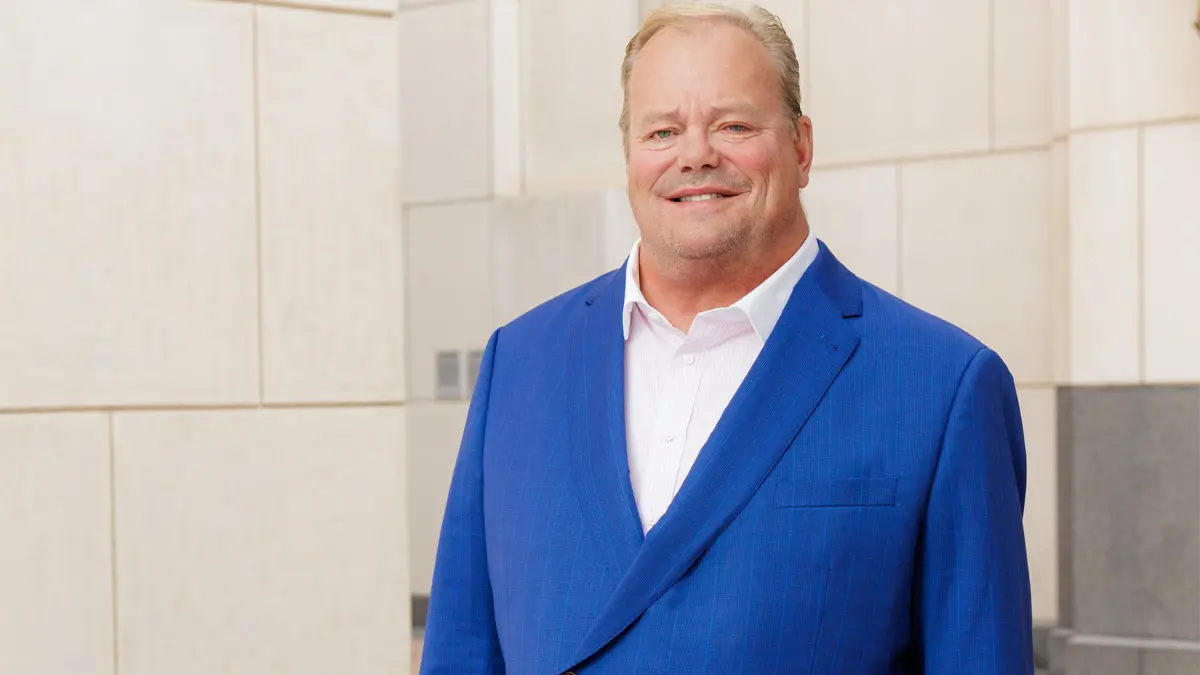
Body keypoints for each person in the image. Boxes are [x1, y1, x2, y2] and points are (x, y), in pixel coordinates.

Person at [420, 3, 1034, 673]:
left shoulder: (942, 387)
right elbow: (462, 647)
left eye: (733, 124)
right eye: (661, 131)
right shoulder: (521, 362)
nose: (695, 155)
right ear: (628, 152)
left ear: (801, 148)